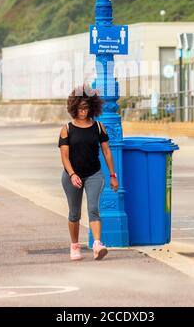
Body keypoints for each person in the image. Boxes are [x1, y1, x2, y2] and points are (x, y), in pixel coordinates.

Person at [58, 85, 119, 262]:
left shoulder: (99, 127)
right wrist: (72, 175)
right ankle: (75, 246)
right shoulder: (67, 129)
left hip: (94, 174)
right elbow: (64, 156)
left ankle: (97, 245)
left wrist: (113, 176)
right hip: (72, 176)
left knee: (93, 209)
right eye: (79, 108)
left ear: (92, 107)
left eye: (86, 108)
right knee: (74, 213)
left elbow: (107, 152)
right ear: (73, 108)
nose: (83, 111)